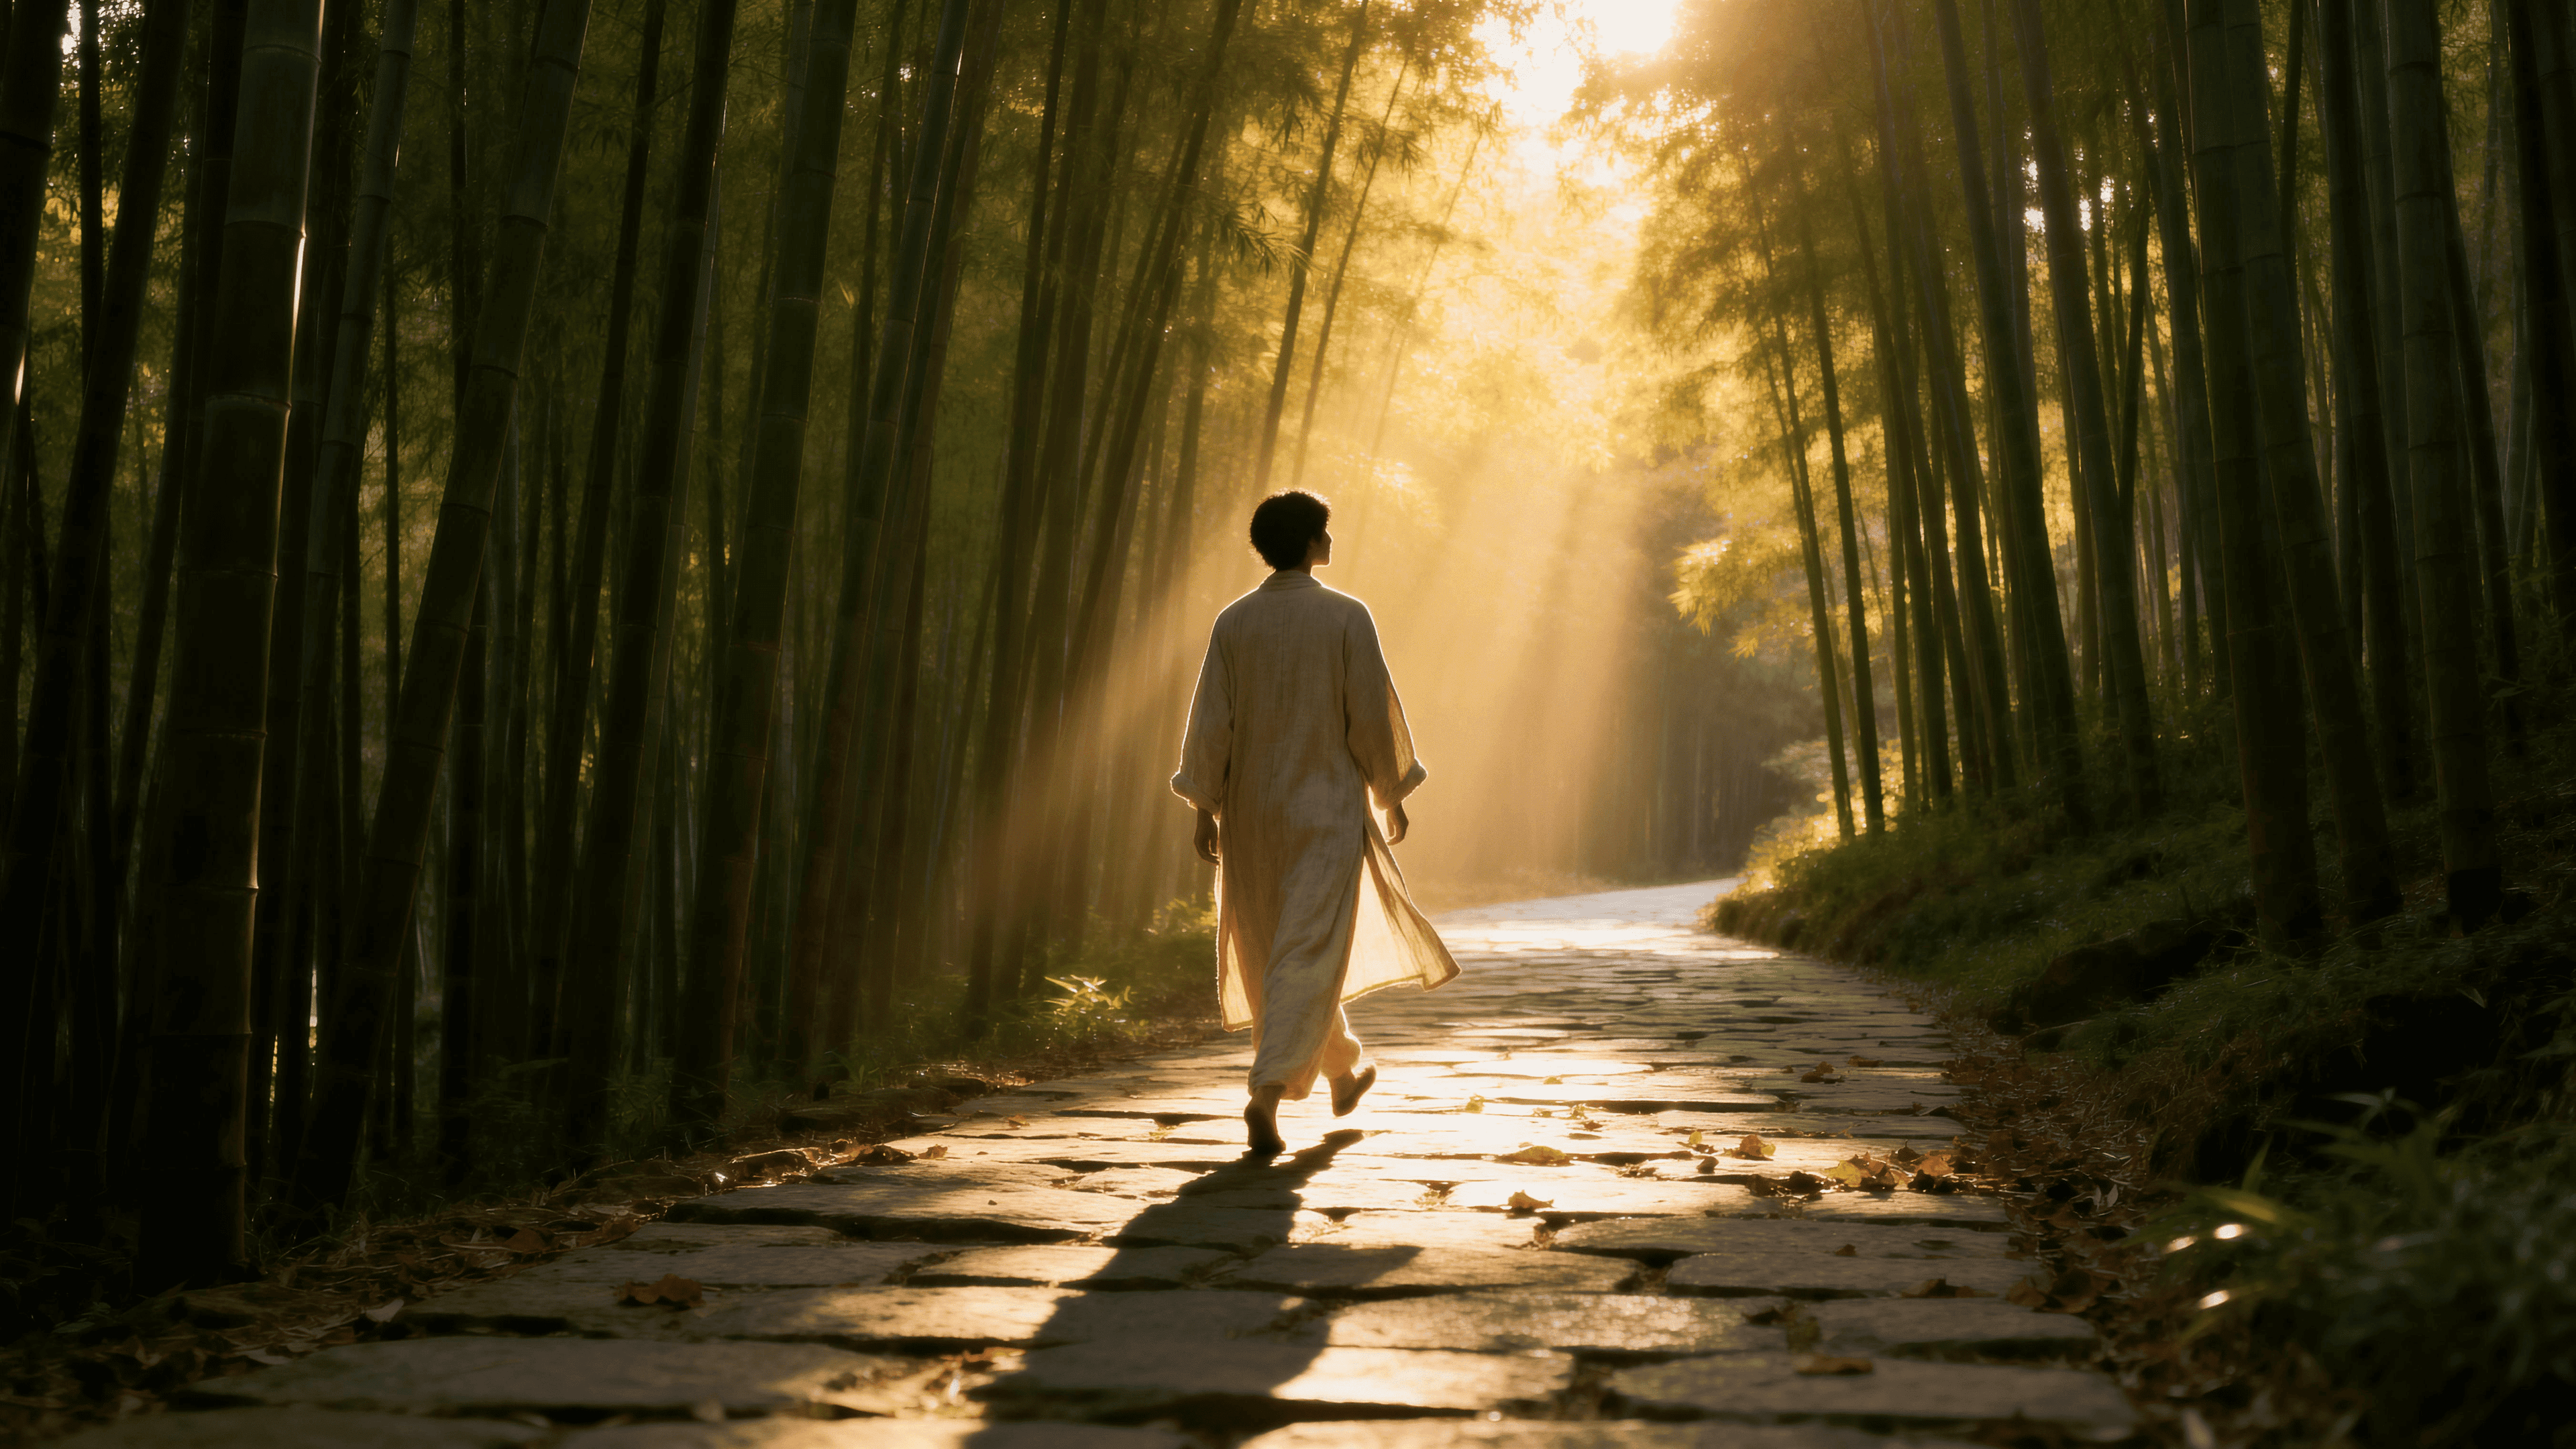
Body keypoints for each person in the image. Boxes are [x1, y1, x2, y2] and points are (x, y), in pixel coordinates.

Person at [1171, 490, 1460, 1157]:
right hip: (1324, 810)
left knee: (1283, 951)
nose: (1331, 537)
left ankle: (1343, 1071)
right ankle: (1266, 1093)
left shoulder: (1234, 621)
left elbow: (1212, 723)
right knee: (1306, 949)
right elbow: (1368, 713)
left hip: (1250, 815)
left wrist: (1205, 808)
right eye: (1324, 530)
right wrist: (1392, 792)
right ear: (1310, 542)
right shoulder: (1345, 617)